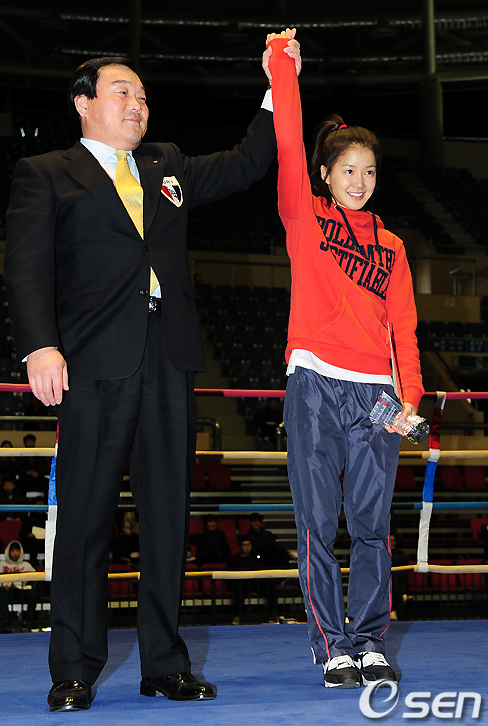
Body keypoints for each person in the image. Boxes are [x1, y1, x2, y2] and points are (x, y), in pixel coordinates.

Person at [4, 37, 301, 712]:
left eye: (142, 95)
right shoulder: (44, 172)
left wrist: (276, 85)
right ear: (83, 103)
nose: (138, 104)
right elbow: (25, 267)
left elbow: (249, 161)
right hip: (91, 365)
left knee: (168, 519)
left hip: (169, 359)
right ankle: (73, 669)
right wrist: (40, 348)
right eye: (123, 93)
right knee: (85, 521)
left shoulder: (167, 163)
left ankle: (165, 664)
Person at [264, 29, 424, 689]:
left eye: (370, 171)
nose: (360, 181)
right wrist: (284, 70)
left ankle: (370, 641)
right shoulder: (305, 219)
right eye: (348, 170)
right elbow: (287, 143)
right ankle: (332, 645)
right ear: (326, 175)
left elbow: (405, 329)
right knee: (315, 524)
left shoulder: (393, 246)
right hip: (313, 383)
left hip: (378, 394)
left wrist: (409, 400)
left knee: (371, 525)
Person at [0, 539, 37, 632]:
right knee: (2, 593)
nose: (15, 553)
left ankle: (28, 621)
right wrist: (4, 585)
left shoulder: (26, 565)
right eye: (12, 551)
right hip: (7, 589)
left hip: (22, 589)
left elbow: (35, 577)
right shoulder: (1, 564)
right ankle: (6, 622)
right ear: (8, 552)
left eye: (17, 550)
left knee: (33, 594)